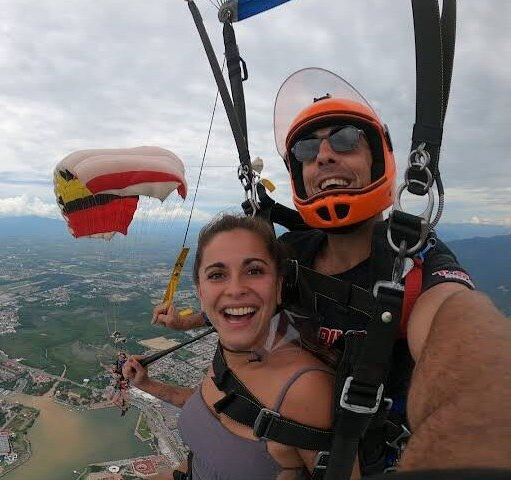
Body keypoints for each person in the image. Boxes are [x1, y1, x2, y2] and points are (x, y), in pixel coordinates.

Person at [151, 68, 481, 474]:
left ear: (377, 158)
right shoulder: (292, 253)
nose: (323, 155)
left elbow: (462, 329)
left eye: (346, 140)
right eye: (307, 149)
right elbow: (250, 299)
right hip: (288, 439)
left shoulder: (413, 262)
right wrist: (188, 323)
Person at [125, 214, 352, 479]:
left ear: (278, 286)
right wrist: (148, 386)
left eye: (254, 271)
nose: (235, 289)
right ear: (201, 292)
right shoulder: (227, 354)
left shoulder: (306, 389)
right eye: (217, 274)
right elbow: (212, 408)